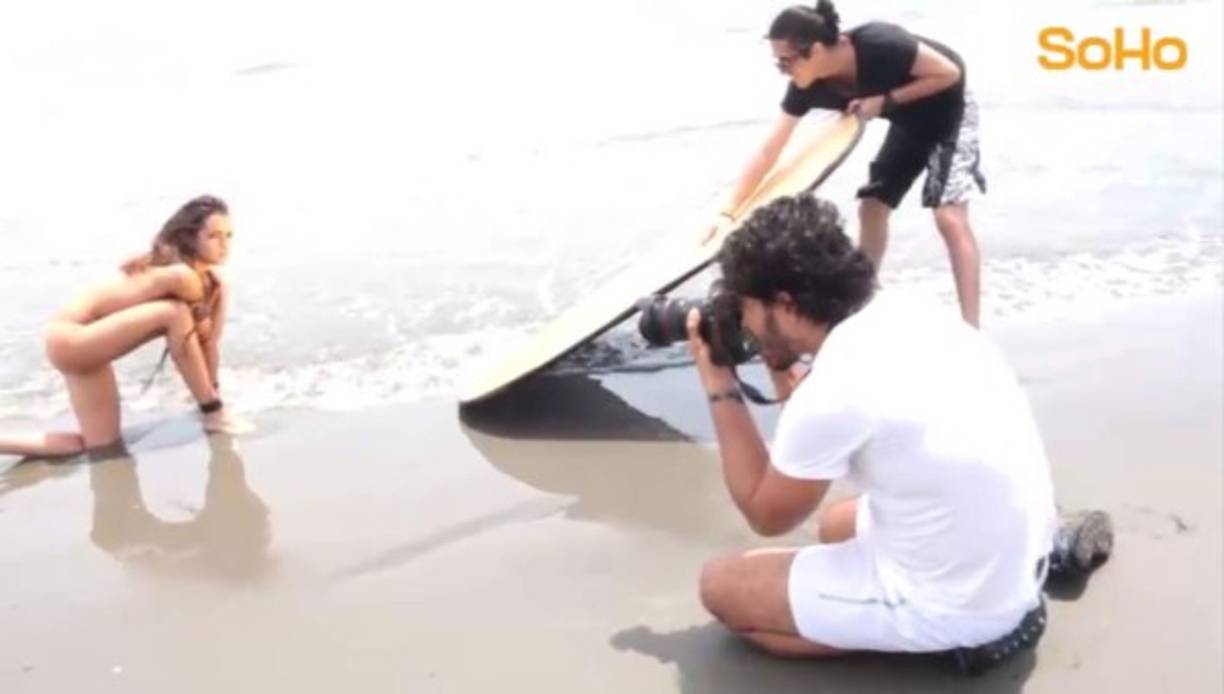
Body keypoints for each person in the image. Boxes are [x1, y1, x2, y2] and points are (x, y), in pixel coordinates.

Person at [687, 195, 1108, 672]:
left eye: (746, 310)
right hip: (1012, 551)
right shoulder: (908, 313)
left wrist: (719, 385)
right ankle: (1036, 556)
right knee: (833, 526)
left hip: (966, 604)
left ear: (783, 305)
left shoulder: (835, 386)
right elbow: (819, 425)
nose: (744, 326)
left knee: (721, 587)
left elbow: (766, 514)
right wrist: (776, 359)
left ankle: (948, 635)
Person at [713, 1, 986, 326]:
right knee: (871, 206)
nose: (784, 72)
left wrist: (884, 101)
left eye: (786, 63)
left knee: (949, 217)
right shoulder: (807, 87)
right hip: (908, 122)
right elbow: (771, 149)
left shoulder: (879, 43)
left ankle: (972, 328)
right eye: (778, 65)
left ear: (813, 49)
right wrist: (729, 212)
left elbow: (949, 73)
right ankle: (863, 305)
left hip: (950, 113)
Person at [0, 195, 246, 459]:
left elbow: (207, 344)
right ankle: (211, 411)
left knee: (98, 446)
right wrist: (213, 410)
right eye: (214, 236)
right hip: (71, 337)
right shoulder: (182, 276)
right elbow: (187, 337)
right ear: (190, 237)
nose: (224, 245)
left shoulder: (215, 285)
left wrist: (215, 391)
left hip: (91, 348)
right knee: (173, 313)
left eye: (229, 236)